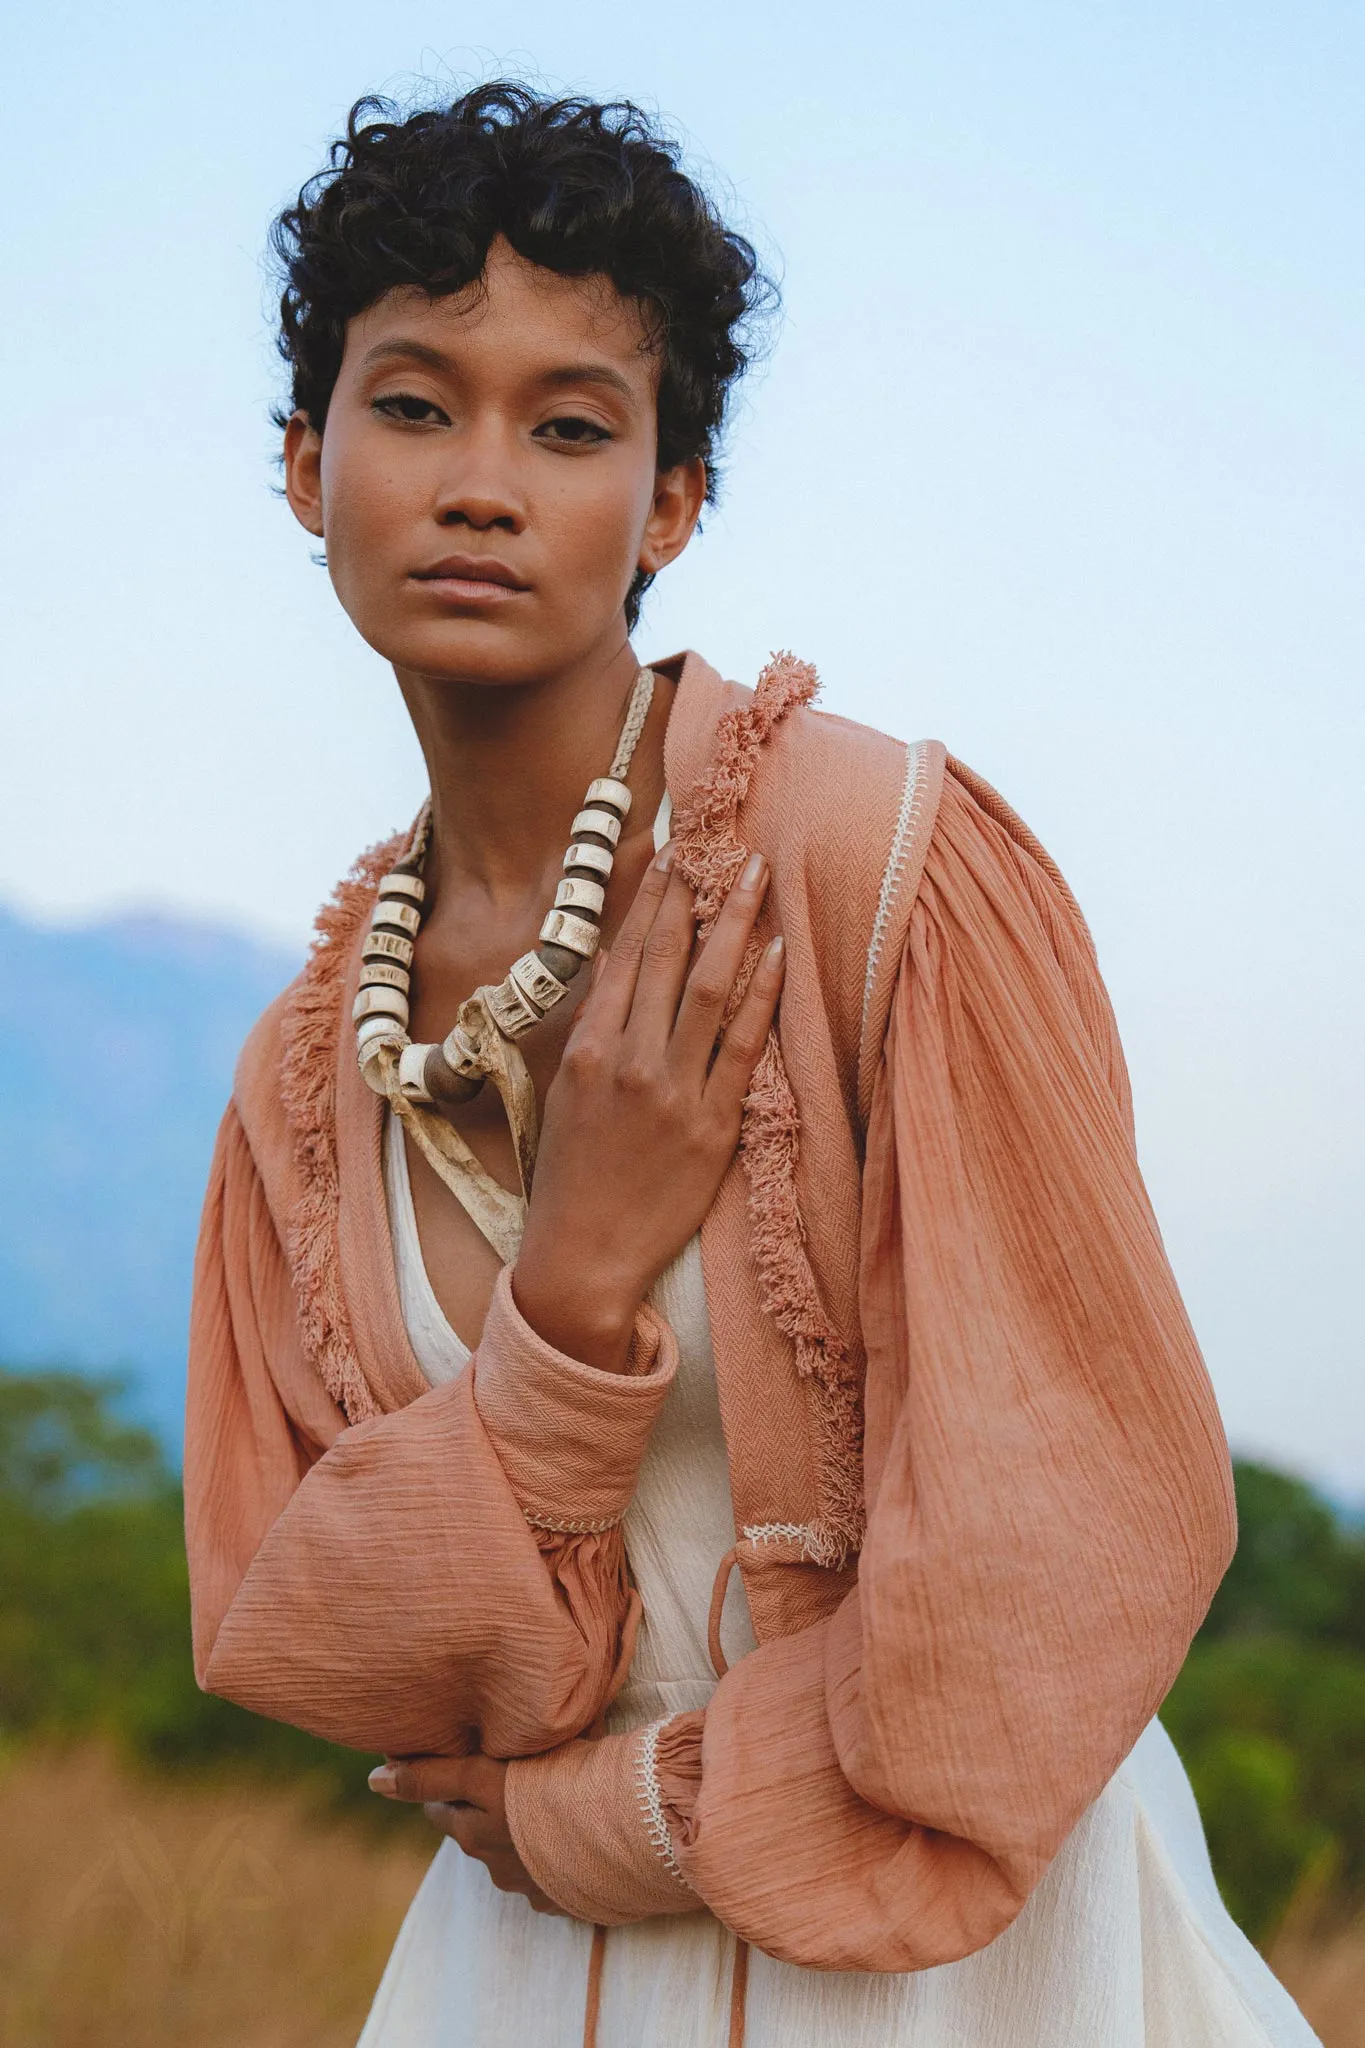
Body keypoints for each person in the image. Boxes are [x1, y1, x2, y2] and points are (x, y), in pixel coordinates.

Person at [185, 82, 1320, 2048]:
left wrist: (628, 1809)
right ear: (304, 464)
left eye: (568, 425)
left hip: (964, 1965)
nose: (481, 480)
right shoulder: (311, 1073)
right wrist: (565, 1298)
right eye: (412, 404)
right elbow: (319, 1628)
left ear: (672, 502)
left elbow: (1085, 1534)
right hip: (529, 1980)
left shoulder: (876, 868)